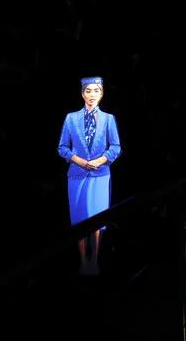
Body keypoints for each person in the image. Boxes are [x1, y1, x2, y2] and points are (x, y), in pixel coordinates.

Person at [57, 76, 121, 275]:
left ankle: (94, 261)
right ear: (82, 93)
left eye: (96, 90)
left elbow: (116, 147)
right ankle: (83, 262)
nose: (92, 94)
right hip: (77, 175)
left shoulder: (108, 119)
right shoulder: (71, 118)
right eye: (88, 90)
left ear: (102, 93)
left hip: (100, 175)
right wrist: (79, 161)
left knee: (97, 218)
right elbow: (62, 147)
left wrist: (100, 160)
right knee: (79, 219)